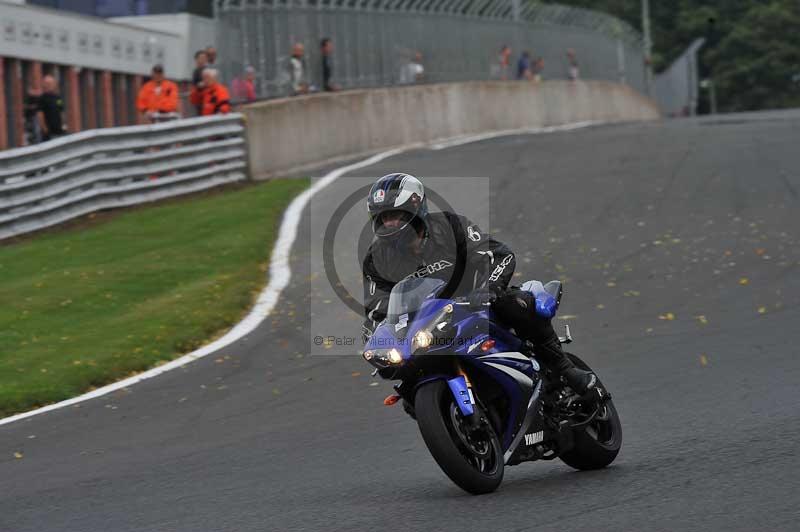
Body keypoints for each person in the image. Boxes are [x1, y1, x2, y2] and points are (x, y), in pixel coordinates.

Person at [361, 173, 597, 395]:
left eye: (395, 216)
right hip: (426, 326)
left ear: (415, 209)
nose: (389, 223)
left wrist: (490, 288)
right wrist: (376, 341)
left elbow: (498, 254)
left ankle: (564, 367)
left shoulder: (450, 226)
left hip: (475, 302)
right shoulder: (375, 260)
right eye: (383, 218)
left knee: (516, 304)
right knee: (402, 376)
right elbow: (376, 309)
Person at [38, 75, 66, 141]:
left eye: (51, 83)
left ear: (54, 84)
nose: (49, 85)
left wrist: (64, 125)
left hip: (59, 129)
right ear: (43, 84)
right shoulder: (42, 98)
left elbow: (61, 111)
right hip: (48, 132)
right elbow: (40, 114)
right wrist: (44, 128)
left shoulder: (57, 98)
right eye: (47, 83)